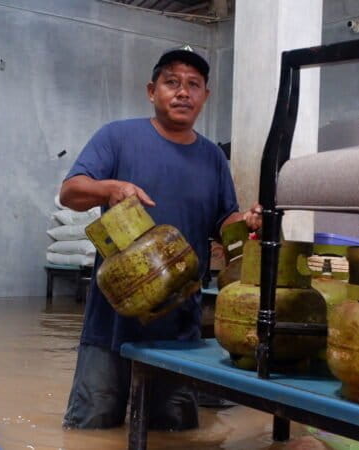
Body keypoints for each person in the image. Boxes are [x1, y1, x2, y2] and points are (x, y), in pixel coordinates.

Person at [58, 46, 261, 431]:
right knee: (92, 426)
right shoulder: (117, 137)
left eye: (193, 85)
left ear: (205, 96)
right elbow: (71, 190)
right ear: (152, 91)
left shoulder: (213, 158)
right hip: (112, 320)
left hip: (179, 323)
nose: (183, 92)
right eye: (172, 82)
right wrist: (110, 189)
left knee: (174, 431)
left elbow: (224, 221)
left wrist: (248, 221)